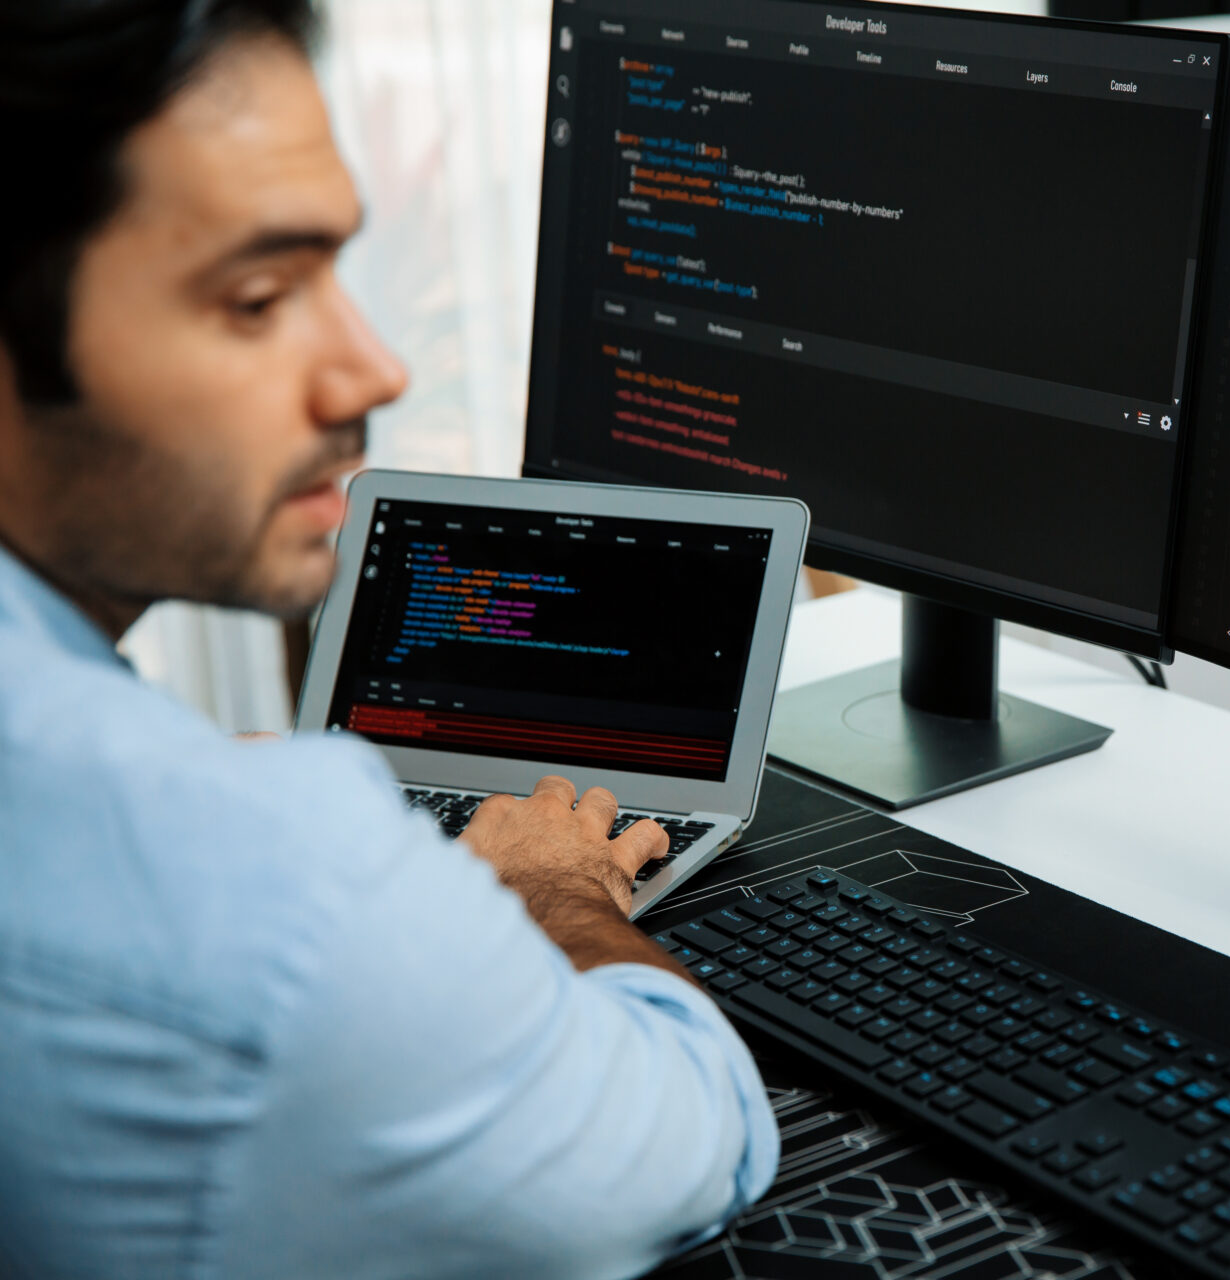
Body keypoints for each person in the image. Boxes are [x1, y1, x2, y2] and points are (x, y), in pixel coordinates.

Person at [0, 2, 778, 1275]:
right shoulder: (282, 900)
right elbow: (688, 1135)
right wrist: (553, 890)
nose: (373, 370)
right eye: (258, 297)